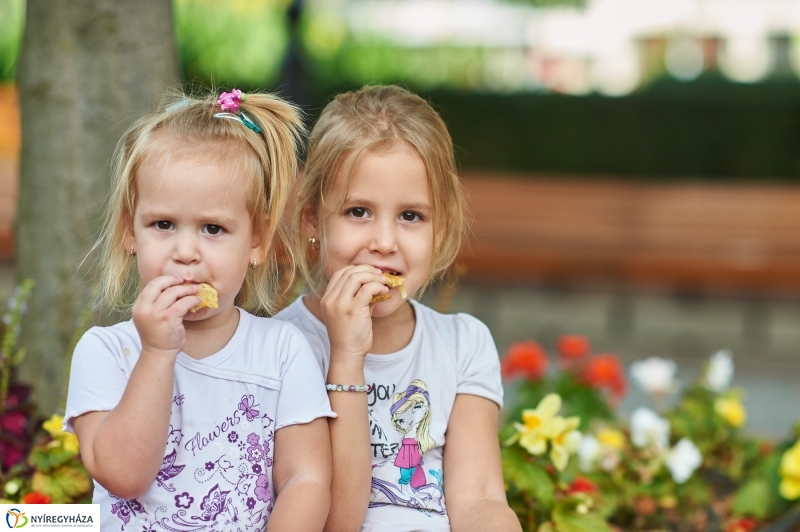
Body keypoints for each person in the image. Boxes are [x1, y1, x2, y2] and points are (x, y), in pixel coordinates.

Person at [64, 89, 334, 532]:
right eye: (163, 225)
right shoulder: (106, 352)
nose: (185, 252)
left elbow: (306, 479)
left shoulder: (282, 351)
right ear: (131, 231)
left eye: (213, 228)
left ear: (256, 241)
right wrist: (156, 353)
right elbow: (124, 477)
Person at [275, 85, 521, 532]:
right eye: (358, 212)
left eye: (411, 216)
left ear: (439, 228)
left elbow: (480, 499)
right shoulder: (280, 347)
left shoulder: (463, 344)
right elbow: (333, 521)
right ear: (312, 219)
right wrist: (346, 357)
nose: (384, 243)